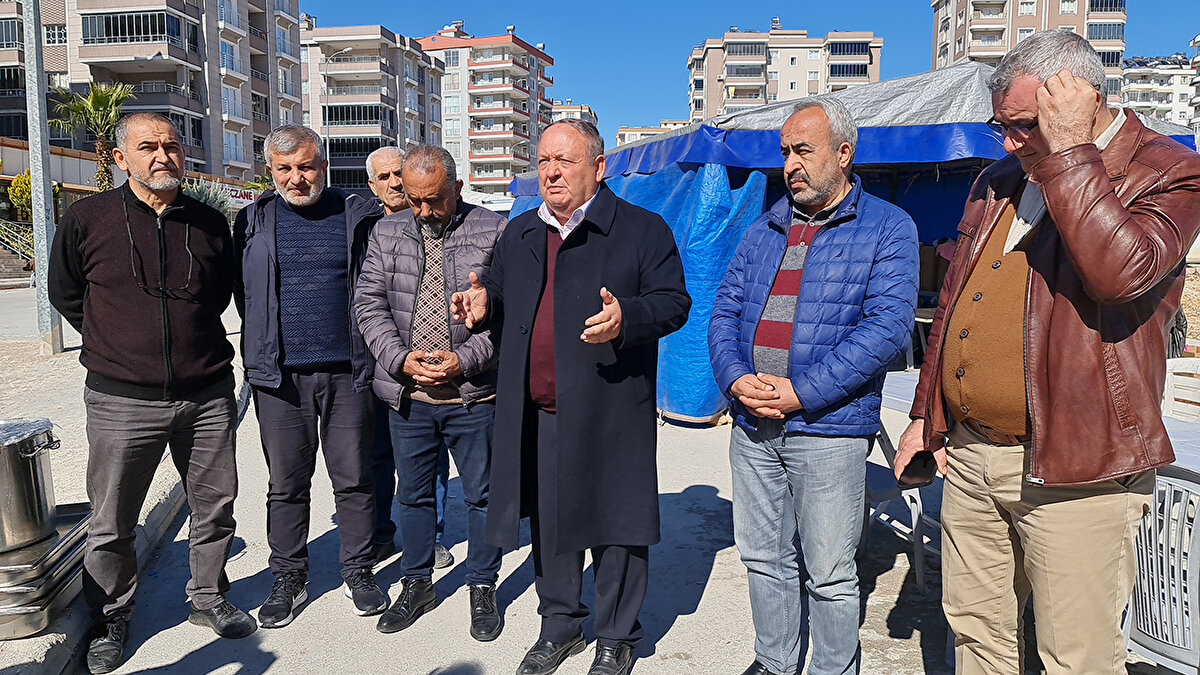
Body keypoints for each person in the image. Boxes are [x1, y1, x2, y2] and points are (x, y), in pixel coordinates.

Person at [893, 30, 1200, 674]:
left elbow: (1118, 275)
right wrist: (928, 412)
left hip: (1077, 468)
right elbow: (954, 302)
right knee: (977, 635)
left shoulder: (1169, 169)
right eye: (998, 125)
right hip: (974, 456)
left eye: (1023, 124)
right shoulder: (1000, 177)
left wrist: (1069, 154)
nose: (1008, 142)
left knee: (1076, 657)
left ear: (1081, 97)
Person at [451, 119, 691, 675]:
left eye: (565, 161)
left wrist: (627, 316)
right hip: (537, 412)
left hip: (611, 408)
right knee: (552, 526)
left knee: (617, 525)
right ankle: (560, 626)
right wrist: (486, 302)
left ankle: (616, 636)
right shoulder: (521, 233)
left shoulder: (640, 229)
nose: (552, 172)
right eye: (543, 162)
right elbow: (506, 294)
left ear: (598, 167)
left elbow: (674, 302)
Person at [708, 98, 918, 675]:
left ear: (844, 154)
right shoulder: (765, 226)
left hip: (827, 429)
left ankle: (832, 668)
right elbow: (723, 313)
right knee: (763, 557)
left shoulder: (887, 228)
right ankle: (775, 660)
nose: (791, 165)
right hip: (754, 423)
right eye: (785, 153)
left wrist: (800, 393)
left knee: (829, 570)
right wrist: (735, 379)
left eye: (804, 151)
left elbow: (888, 327)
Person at [49, 112, 255, 674]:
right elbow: (66, 292)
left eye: (171, 146)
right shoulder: (87, 219)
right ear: (122, 159)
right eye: (148, 147)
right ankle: (111, 615)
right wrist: (118, 346)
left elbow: (218, 298)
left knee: (214, 505)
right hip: (121, 400)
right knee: (112, 518)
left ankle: (209, 596)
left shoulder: (211, 224)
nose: (163, 156)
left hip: (207, 391)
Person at [234, 124, 387, 629]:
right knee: (286, 484)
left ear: (323, 163)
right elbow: (244, 293)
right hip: (278, 378)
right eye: (284, 169)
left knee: (354, 478)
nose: (296, 178)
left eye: (305, 166)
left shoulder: (356, 214)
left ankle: (359, 570)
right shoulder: (252, 220)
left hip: (349, 373)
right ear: (270, 171)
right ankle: (289, 576)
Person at [354, 145, 506, 638]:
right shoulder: (386, 230)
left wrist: (465, 360)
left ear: (457, 188)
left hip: (474, 397)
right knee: (414, 496)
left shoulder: (493, 230)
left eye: (433, 200)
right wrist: (400, 360)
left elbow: (509, 317)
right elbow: (368, 304)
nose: (421, 210)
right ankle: (416, 583)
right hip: (409, 397)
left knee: (483, 496)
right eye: (413, 199)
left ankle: (483, 585)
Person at [362, 145, 455, 570]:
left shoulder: (446, 223)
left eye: (399, 173)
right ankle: (383, 533)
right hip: (378, 366)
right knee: (378, 455)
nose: (395, 183)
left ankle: (429, 536)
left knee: (429, 463)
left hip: (432, 379)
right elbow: (366, 301)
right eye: (384, 177)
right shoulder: (363, 226)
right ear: (372, 186)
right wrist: (392, 356)